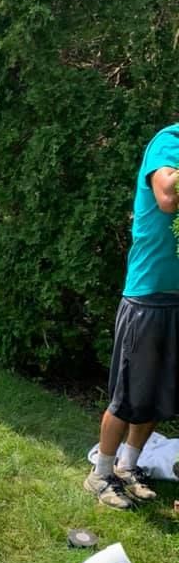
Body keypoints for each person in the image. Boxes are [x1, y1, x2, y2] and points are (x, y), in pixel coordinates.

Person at [85, 124, 179, 509]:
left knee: (155, 396)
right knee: (127, 396)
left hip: (175, 299)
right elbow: (168, 196)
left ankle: (127, 465)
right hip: (145, 297)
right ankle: (100, 475)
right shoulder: (170, 141)